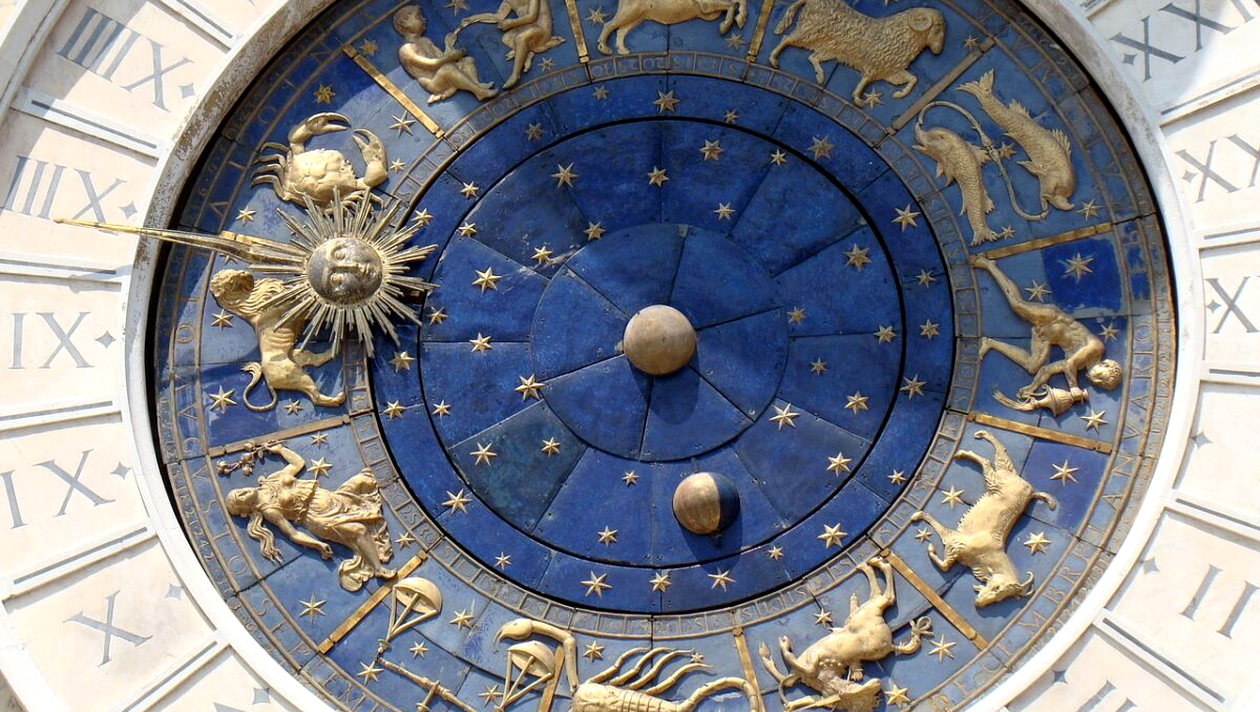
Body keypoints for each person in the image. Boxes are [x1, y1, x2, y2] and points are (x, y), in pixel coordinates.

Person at [225, 442, 395, 591]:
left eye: (239, 491)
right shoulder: (270, 510)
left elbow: (297, 463)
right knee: (359, 530)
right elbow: (293, 534)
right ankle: (378, 568)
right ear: (246, 509)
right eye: (240, 498)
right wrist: (317, 545)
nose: (243, 492)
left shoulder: (271, 480)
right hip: (318, 518)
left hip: (331, 498)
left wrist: (280, 450)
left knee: (364, 479)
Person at [971, 254, 1121, 399]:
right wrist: (1074, 387)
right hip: (1053, 319)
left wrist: (1031, 388)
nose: (1096, 380)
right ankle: (989, 265)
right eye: (1102, 377)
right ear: (1106, 365)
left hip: (1046, 336)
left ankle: (990, 342)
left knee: (1032, 366)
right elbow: (1070, 364)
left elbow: (1047, 370)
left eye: (1100, 384)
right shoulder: (1096, 347)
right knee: (1017, 304)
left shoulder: (1079, 366)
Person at [393, 5, 498, 103]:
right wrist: (451, 57)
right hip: (433, 82)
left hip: (443, 72)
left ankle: (475, 86)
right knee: (447, 68)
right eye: (418, 17)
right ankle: (478, 91)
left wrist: (450, 48)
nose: (424, 20)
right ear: (405, 22)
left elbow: (440, 56)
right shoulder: (406, 49)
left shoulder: (425, 41)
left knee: (467, 61)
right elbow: (431, 65)